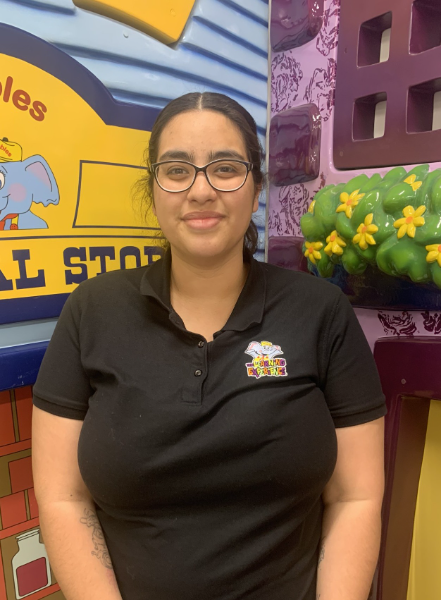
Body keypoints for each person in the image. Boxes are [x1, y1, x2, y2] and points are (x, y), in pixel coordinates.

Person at [32, 92, 386, 600]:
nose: (201, 190)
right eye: (177, 171)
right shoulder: (92, 310)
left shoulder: (321, 312)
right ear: (153, 189)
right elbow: (63, 498)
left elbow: (356, 497)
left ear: (257, 188)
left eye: (225, 168)